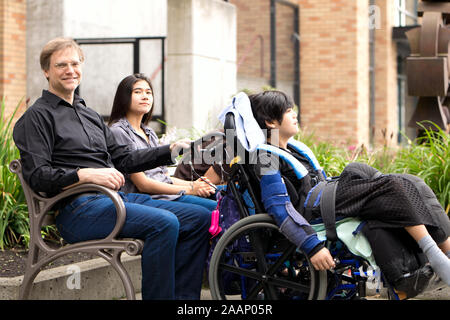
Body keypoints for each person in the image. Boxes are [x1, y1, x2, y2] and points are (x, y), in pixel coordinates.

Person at [13, 38, 211, 300]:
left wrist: (170, 149)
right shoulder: (37, 117)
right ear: (46, 71)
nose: (70, 70)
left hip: (115, 200)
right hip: (77, 210)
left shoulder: (90, 115)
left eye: (75, 63)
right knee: (164, 223)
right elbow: (38, 176)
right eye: (61, 65)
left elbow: (125, 160)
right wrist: (83, 174)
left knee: (200, 219)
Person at [248, 90, 450, 286]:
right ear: (271, 122)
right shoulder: (265, 157)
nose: (294, 114)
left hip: (325, 197)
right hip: (313, 210)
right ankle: (434, 255)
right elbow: (278, 206)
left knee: (412, 182)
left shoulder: (291, 148)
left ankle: (447, 253)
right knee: (392, 185)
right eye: (287, 110)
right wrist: (311, 246)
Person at [108, 73, 216, 212]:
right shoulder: (119, 132)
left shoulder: (149, 132)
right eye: (138, 92)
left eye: (149, 92)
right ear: (124, 97)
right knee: (213, 210)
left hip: (168, 195)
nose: (145, 96)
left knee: (223, 195)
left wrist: (195, 184)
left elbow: (164, 177)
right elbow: (143, 184)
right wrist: (189, 189)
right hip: (149, 201)